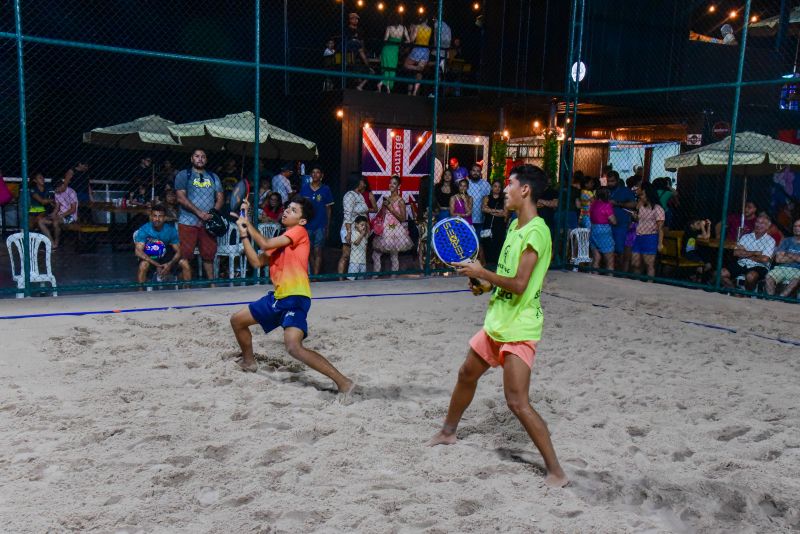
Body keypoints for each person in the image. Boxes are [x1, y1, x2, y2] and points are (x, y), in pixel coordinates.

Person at [428, 164, 568, 489]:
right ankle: (448, 432)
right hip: (497, 322)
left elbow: (520, 284)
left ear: (525, 191)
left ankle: (556, 472)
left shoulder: (536, 231)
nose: (504, 190)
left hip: (519, 328)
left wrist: (483, 273)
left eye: (510, 185)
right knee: (466, 374)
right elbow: (503, 280)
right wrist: (483, 283)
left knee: (517, 402)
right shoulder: (515, 227)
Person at [228, 197, 356, 399]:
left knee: (293, 347)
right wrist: (244, 234)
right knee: (237, 321)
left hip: (296, 297)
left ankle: (344, 382)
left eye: (293, 210)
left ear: (302, 220)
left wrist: (248, 223)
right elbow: (256, 261)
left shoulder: (299, 232)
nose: (287, 211)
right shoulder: (280, 240)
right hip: (278, 298)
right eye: (287, 208)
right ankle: (249, 362)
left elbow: (264, 242)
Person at [174, 149, 224, 281]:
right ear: (191, 159)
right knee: (185, 255)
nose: (200, 159)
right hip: (187, 221)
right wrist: (199, 213)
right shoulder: (184, 175)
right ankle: (186, 286)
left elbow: (220, 198)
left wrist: (211, 213)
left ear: (206, 160)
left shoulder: (213, 177)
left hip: (208, 223)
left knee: (208, 255)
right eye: (197, 156)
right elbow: (180, 198)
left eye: (203, 156)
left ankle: (212, 285)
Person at [134, 204, 189, 284]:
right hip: (150, 257)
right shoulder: (144, 229)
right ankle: (141, 292)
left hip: (167, 256)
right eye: (155, 216)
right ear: (151, 217)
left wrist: (170, 264)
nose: (157, 219)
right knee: (143, 265)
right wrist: (157, 265)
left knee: (185, 263)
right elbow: (138, 251)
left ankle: (187, 292)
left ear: (165, 218)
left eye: (160, 216)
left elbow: (178, 251)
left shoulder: (171, 230)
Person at [719, 213, 776, 292]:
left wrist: (745, 253)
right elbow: (736, 253)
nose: (758, 225)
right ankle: (735, 292)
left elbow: (764, 259)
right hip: (742, 263)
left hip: (759, 266)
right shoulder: (745, 237)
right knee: (721, 273)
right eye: (757, 222)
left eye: (762, 223)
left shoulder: (770, 240)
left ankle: (747, 294)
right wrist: (755, 253)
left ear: (767, 226)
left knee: (750, 277)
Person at [373, 175, 413, 273]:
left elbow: (403, 218)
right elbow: (382, 214)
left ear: (398, 186)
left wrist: (391, 208)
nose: (391, 185)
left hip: (394, 228)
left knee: (394, 255)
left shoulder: (400, 201)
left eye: (394, 183)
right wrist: (384, 207)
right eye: (390, 182)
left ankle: (394, 275)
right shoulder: (386, 199)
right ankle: (376, 273)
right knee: (376, 254)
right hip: (385, 227)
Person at [299, 165, 334, 275]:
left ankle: (316, 276)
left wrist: (327, 226)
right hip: (307, 225)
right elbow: (300, 206)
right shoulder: (304, 188)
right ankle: (314, 273)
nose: (315, 174)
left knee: (318, 251)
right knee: (309, 252)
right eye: (313, 172)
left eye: (317, 172)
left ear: (322, 175)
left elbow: (328, 208)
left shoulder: (326, 189)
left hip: (320, 224)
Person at [338, 174, 373, 276]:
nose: (364, 184)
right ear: (357, 182)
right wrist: (348, 232)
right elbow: (347, 215)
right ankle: (340, 280)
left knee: (358, 255)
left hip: (360, 229)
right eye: (362, 181)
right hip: (350, 228)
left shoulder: (359, 195)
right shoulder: (350, 195)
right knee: (346, 255)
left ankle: (354, 278)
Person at [630, 182, 665, 279]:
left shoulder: (658, 209)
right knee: (635, 263)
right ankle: (637, 281)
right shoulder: (641, 206)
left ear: (648, 195)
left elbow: (660, 228)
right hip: (639, 236)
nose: (640, 197)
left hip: (650, 237)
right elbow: (640, 219)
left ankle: (649, 284)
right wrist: (635, 217)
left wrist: (660, 243)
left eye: (642, 195)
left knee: (649, 264)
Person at [607, 171, 636, 266]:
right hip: (606, 224)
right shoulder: (605, 190)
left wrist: (618, 204)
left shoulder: (626, 191)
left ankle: (619, 271)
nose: (610, 183)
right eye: (608, 181)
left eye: (612, 181)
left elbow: (633, 204)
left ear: (618, 180)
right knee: (607, 249)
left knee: (620, 249)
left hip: (621, 224)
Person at [39, 178, 78, 249]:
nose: (56, 191)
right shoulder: (57, 193)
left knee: (55, 222)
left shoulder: (71, 192)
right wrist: (53, 215)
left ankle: (56, 243)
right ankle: (51, 242)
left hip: (71, 216)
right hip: (59, 216)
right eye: (55, 189)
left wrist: (60, 216)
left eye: (57, 188)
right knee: (41, 221)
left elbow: (73, 209)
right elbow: (57, 207)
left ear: (62, 185)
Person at [765, 218, 800, 297]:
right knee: (769, 277)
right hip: (781, 268)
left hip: (798, 270)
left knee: (796, 280)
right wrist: (796, 257)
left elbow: (784, 257)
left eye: (799, 226)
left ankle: (780, 298)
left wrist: (787, 254)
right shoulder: (786, 241)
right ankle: (771, 299)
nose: (796, 228)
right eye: (795, 226)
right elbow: (778, 259)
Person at [376, 14, 409, 93]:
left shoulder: (389, 28)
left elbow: (385, 39)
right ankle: (387, 87)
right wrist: (400, 42)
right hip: (395, 50)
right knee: (392, 68)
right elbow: (408, 40)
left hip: (387, 49)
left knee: (386, 67)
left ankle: (382, 84)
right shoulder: (403, 28)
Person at [589, 187, 617, 272]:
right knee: (610, 262)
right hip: (604, 231)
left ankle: (594, 277)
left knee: (596, 259)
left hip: (594, 230)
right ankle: (610, 279)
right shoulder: (607, 205)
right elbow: (613, 221)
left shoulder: (593, 204)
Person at [404, 15, 433, 95]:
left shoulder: (417, 27)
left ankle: (416, 67)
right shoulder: (429, 29)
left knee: (406, 64)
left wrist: (412, 31)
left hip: (417, 49)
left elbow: (412, 39)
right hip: (425, 51)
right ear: (426, 20)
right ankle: (415, 92)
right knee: (419, 72)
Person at [480, 180, 507, 265]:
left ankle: (496, 265)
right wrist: (497, 211)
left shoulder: (504, 199)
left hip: (499, 226)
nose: (497, 188)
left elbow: (505, 213)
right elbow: (484, 209)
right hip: (488, 225)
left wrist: (491, 211)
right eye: (495, 186)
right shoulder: (486, 197)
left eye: (499, 187)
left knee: (498, 245)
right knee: (487, 244)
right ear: (492, 187)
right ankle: (487, 265)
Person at [345, 12, 373, 91]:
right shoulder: (346, 30)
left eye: (357, 19)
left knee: (368, 72)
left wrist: (364, 54)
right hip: (350, 57)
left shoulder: (360, 30)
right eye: (354, 18)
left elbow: (362, 43)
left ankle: (359, 86)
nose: (356, 20)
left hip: (359, 57)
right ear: (350, 20)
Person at [348, 215, 370, 280]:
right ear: (356, 224)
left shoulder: (365, 235)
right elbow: (356, 243)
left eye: (365, 226)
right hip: (354, 261)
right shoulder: (354, 233)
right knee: (351, 279)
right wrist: (362, 235)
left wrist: (364, 234)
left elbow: (365, 247)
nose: (364, 227)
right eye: (362, 225)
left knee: (361, 279)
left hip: (363, 261)